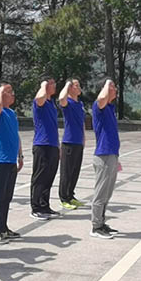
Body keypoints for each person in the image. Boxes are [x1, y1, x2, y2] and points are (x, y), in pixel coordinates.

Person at [0, 83, 24, 245]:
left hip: (10, 160)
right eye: (9, 92)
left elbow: (16, 135)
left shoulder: (11, 113)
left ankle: (3, 228)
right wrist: (1, 91)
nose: (13, 94)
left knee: (6, 197)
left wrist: (20, 155)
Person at [90, 79, 121, 240]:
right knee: (100, 193)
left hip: (112, 155)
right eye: (111, 87)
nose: (114, 89)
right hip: (103, 156)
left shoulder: (110, 108)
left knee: (107, 194)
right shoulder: (98, 106)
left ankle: (101, 223)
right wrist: (107, 83)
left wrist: (117, 158)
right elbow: (101, 98)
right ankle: (96, 226)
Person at [30, 77, 60, 220]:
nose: (55, 85)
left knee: (49, 177)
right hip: (42, 144)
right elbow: (40, 97)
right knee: (39, 177)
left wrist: (58, 146)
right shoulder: (39, 101)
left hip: (53, 144)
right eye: (52, 83)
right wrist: (43, 85)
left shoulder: (51, 103)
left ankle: (44, 205)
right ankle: (36, 207)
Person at [58, 79, 86, 209]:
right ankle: (64, 198)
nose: (79, 87)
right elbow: (61, 99)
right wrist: (67, 84)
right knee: (66, 172)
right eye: (76, 85)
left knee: (75, 171)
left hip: (78, 141)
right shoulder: (67, 103)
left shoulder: (80, 104)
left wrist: (84, 138)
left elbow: (82, 122)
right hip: (69, 142)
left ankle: (70, 195)